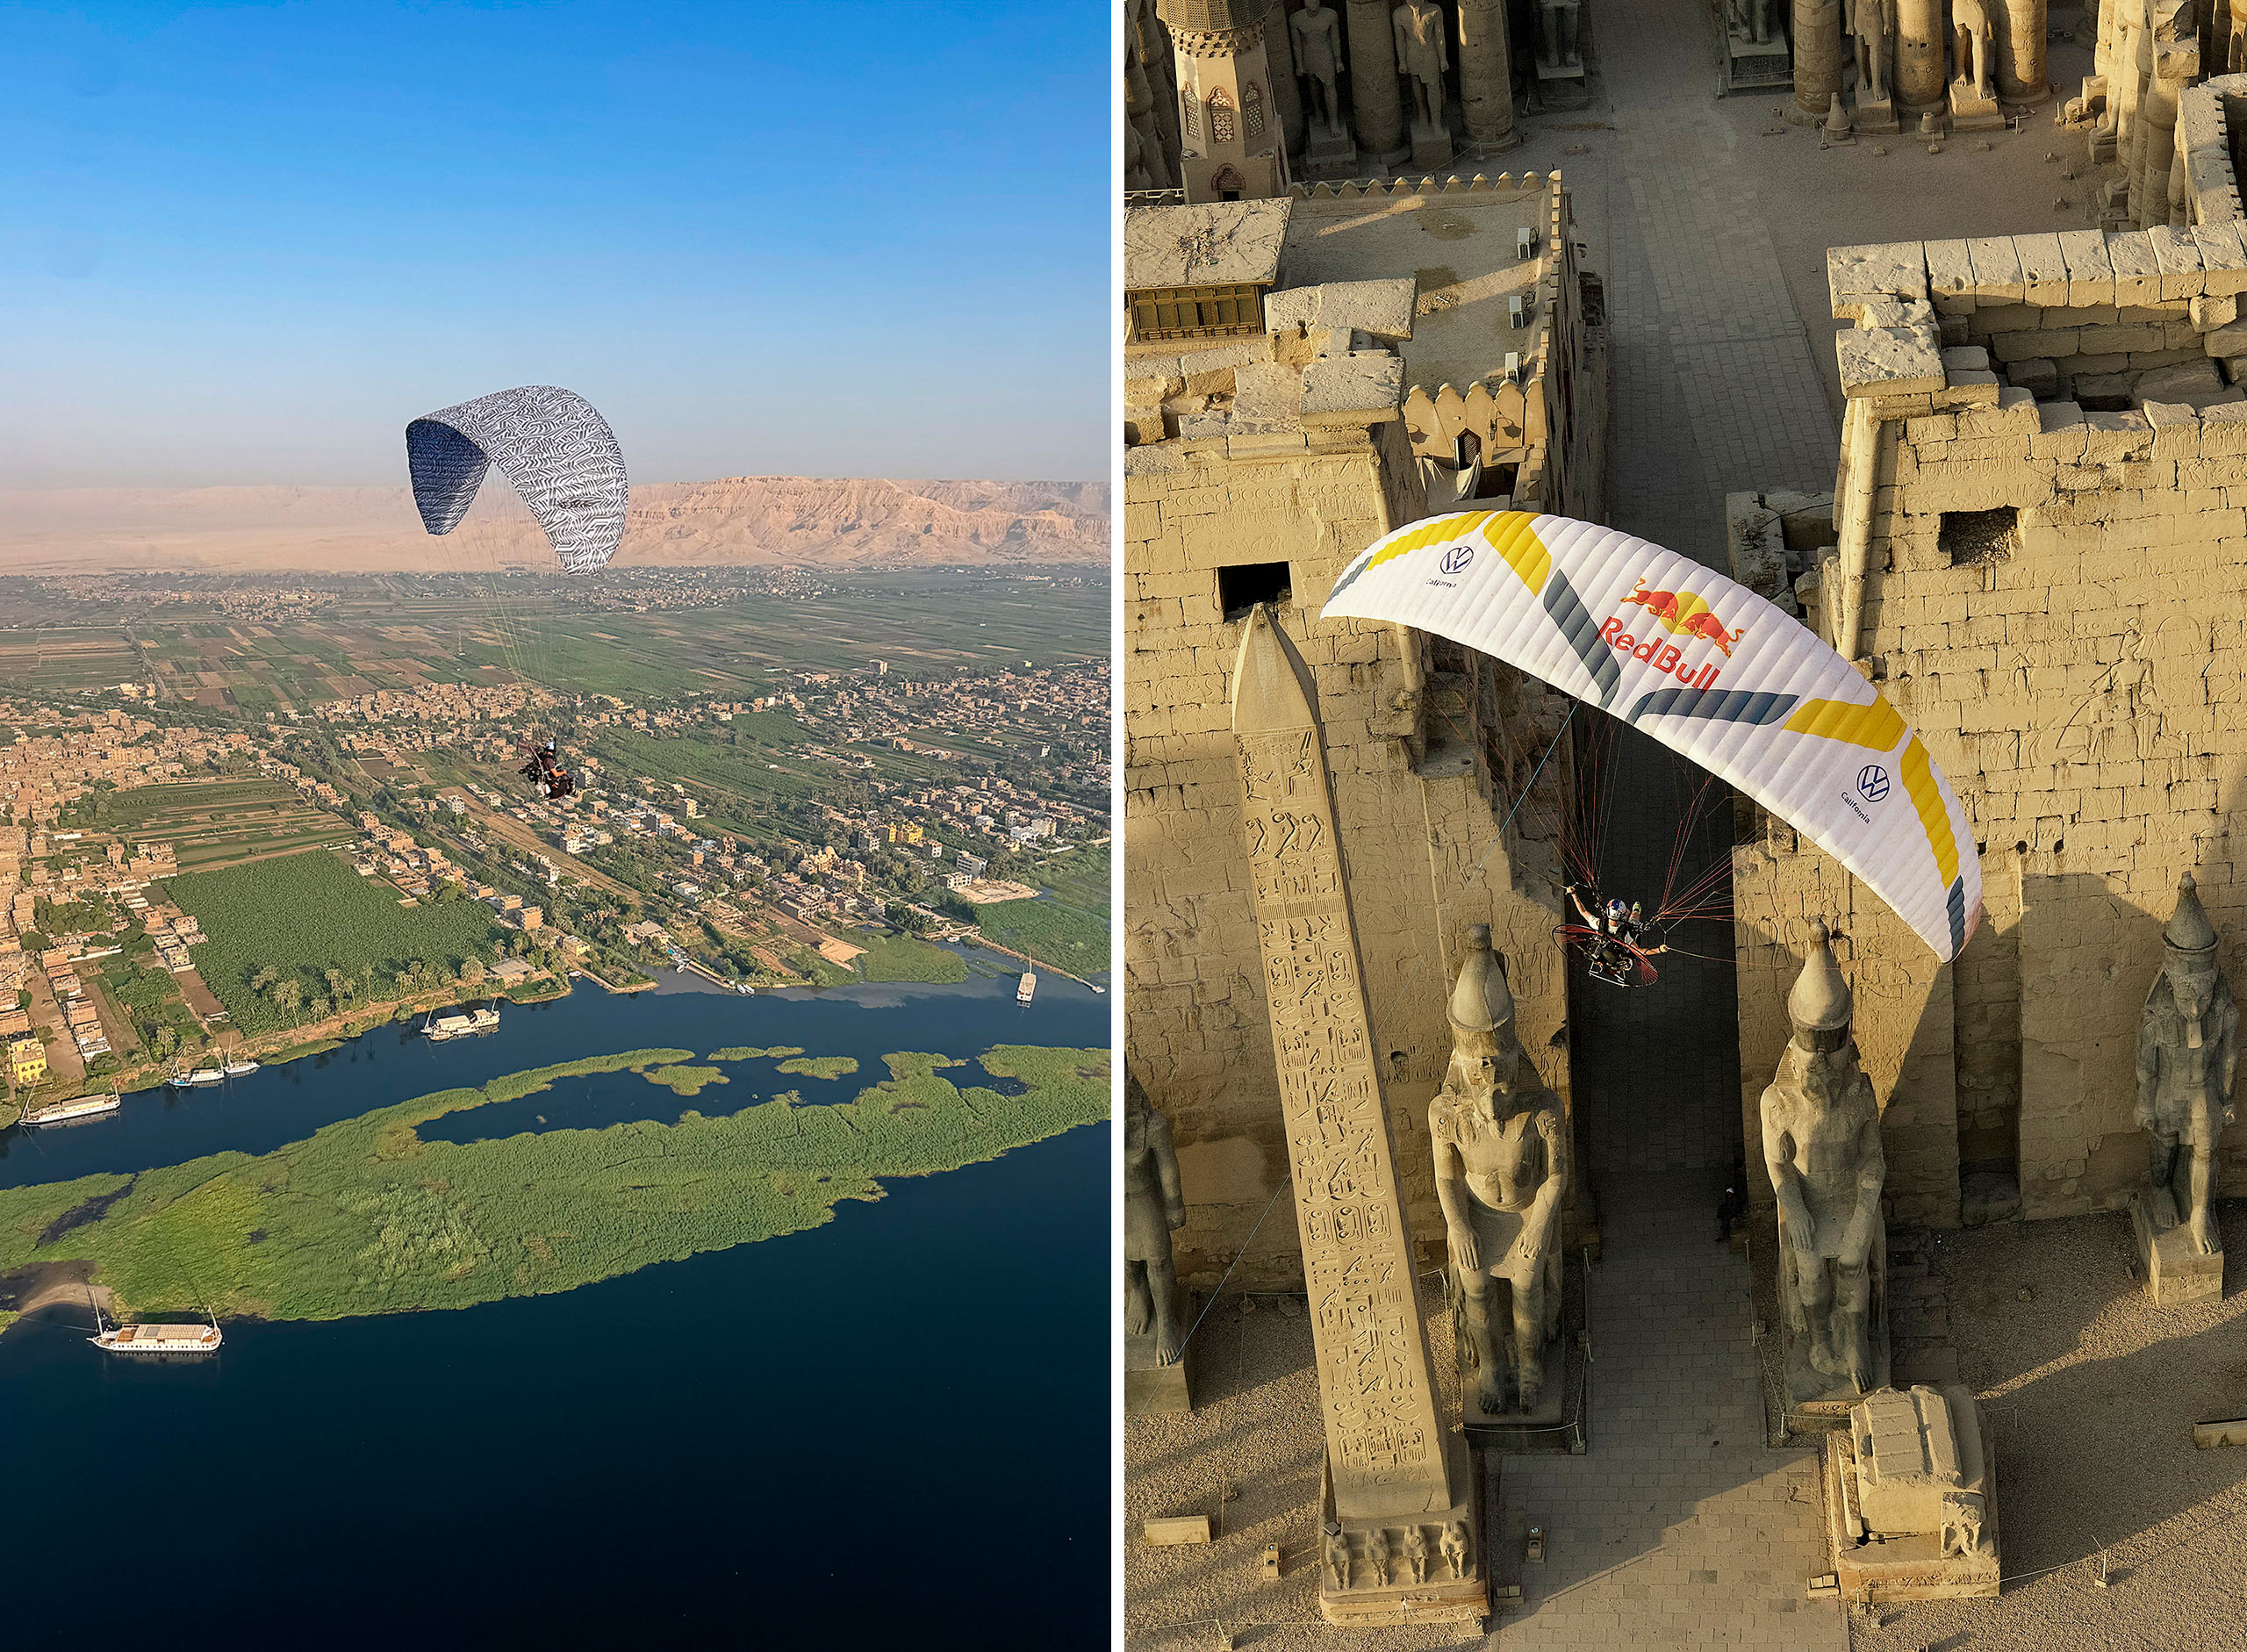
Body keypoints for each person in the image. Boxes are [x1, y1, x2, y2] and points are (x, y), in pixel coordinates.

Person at [1565, 883, 1668, 985]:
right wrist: (1659, 950)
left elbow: (1583, 911)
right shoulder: (1624, 934)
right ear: (1621, 915)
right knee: (1633, 920)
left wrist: (1574, 894)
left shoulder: (1599, 924)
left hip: (1604, 955)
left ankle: (1602, 960)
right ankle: (1636, 909)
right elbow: (1639, 951)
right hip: (1617, 957)